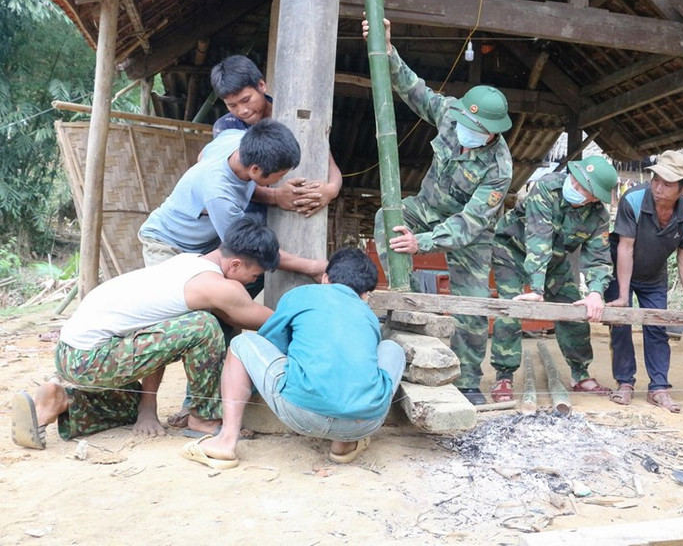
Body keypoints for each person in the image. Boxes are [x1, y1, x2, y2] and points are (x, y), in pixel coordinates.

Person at [10, 217, 279, 450]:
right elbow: (270, 320)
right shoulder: (216, 286)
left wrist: (146, 409)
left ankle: (63, 400)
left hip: (71, 353)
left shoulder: (189, 262)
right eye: (254, 275)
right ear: (234, 265)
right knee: (202, 326)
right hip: (90, 358)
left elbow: (155, 338)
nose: (252, 282)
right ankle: (204, 418)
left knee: (129, 407)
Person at [362, 17, 513, 406]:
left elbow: (470, 222)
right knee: (386, 218)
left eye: (477, 128)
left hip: (469, 236)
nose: (467, 130)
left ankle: (467, 381)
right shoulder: (450, 116)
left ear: (494, 132)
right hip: (425, 209)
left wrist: (423, 242)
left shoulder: (499, 168)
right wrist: (388, 49)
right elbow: (414, 90)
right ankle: (407, 299)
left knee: (474, 306)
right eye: (466, 121)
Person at [180, 248, 405, 470]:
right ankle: (343, 445)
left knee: (241, 344)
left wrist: (255, 389)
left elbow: (270, 343)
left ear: (325, 278)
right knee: (393, 348)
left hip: (301, 413)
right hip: (363, 424)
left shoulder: (302, 294)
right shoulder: (369, 316)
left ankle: (226, 441)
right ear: (366, 294)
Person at [487, 156, 617, 403]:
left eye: (584, 190)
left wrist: (595, 293)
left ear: (595, 197)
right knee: (511, 306)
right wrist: (536, 288)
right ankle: (504, 376)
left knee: (575, 309)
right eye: (576, 182)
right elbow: (539, 238)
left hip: (555, 262)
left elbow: (599, 258)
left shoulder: (598, 216)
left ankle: (580, 374)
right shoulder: (547, 187)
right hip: (512, 251)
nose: (576, 189)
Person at [138, 119, 326, 280]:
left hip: (203, 242)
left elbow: (202, 156)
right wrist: (312, 267)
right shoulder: (219, 196)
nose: (281, 180)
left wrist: (275, 196)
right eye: (279, 175)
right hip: (167, 243)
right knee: (178, 309)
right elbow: (250, 246)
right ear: (255, 170)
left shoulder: (235, 138)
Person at [605, 151, 683, 412]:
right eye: (656, 179)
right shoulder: (633, 200)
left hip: (654, 276)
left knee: (657, 327)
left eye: (667, 183)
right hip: (621, 270)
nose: (658, 187)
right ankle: (625, 383)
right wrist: (623, 297)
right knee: (621, 324)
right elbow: (625, 248)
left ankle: (658, 387)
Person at [208, 55, 342, 217]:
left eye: (246, 100)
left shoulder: (293, 115)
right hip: (251, 214)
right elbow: (228, 179)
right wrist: (276, 196)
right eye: (232, 105)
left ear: (261, 85)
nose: (242, 110)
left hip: (298, 215)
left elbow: (329, 163)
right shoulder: (226, 128)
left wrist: (331, 190)